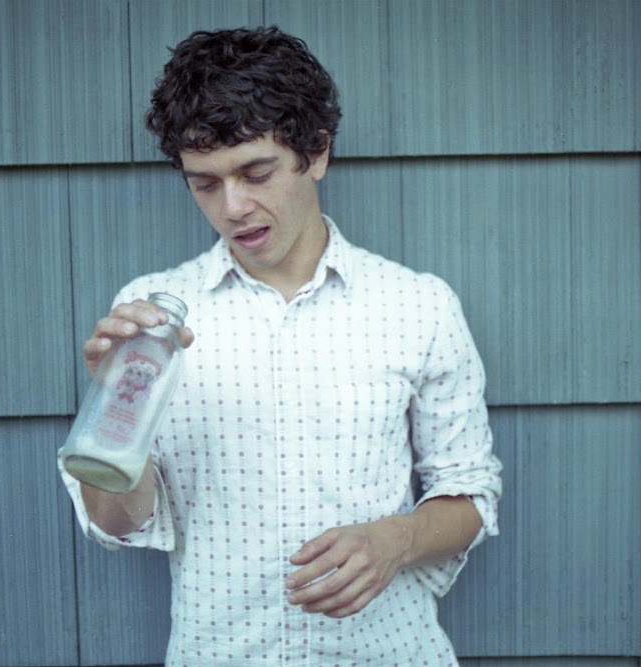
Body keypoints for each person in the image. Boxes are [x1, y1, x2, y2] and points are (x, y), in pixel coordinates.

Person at [60, 25, 502, 666]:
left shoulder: (419, 305)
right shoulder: (152, 320)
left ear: (316, 152)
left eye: (256, 172)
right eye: (205, 183)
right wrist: (111, 420)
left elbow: (470, 493)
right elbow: (115, 521)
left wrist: (396, 541)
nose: (233, 206)